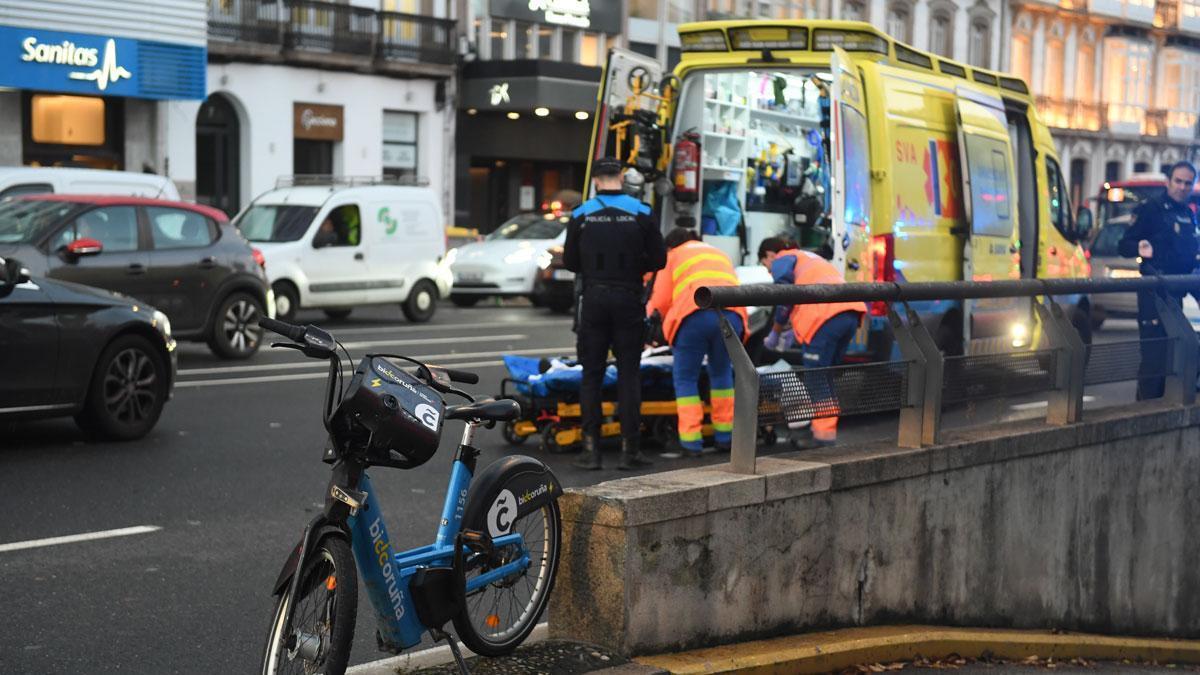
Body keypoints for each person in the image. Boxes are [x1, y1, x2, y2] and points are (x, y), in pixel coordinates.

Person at [563, 157, 667, 470]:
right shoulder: (643, 213)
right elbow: (659, 260)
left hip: (593, 299)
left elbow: (570, 262)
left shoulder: (581, 214)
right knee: (629, 374)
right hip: (628, 298)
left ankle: (591, 451)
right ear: (621, 178)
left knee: (591, 375)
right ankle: (629, 450)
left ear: (596, 180)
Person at [646, 228, 747, 455]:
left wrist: (650, 322)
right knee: (721, 374)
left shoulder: (673, 255)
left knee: (686, 378)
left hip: (693, 316)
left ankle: (691, 441)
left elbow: (660, 300)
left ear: (670, 246)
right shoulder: (718, 253)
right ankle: (725, 437)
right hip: (731, 314)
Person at [758, 236, 866, 448]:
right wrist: (793, 330)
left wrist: (776, 331)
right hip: (850, 312)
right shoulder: (809, 257)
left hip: (824, 317)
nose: (770, 271)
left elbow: (784, 296)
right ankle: (827, 432)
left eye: (766, 265)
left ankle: (823, 439)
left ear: (770, 254)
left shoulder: (782, 258)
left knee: (816, 378)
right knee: (825, 376)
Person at [1117, 160, 1199, 400]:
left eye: (1187, 183)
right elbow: (1124, 245)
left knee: (1181, 350)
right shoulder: (1151, 209)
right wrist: (1140, 247)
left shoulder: (1187, 213)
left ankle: (1169, 405)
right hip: (1154, 294)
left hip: (1177, 294)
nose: (1182, 187)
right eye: (1178, 181)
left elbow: (1189, 256)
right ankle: (1145, 413)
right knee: (1155, 357)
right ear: (1168, 182)